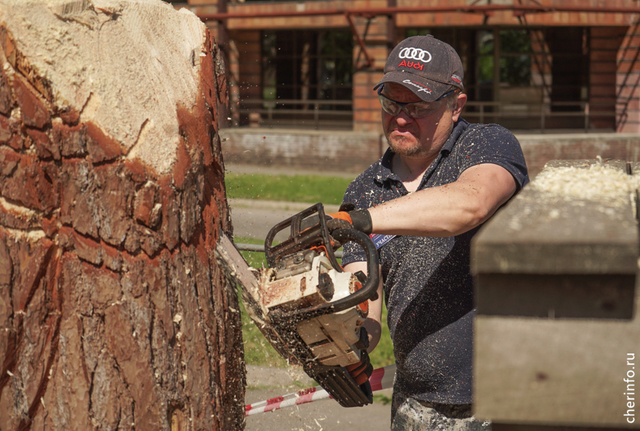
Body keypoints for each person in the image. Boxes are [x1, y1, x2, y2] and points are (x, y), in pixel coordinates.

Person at [330, 35, 529, 429]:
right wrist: (344, 343)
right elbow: (365, 306)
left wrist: (361, 222)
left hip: (503, 399)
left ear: (456, 106)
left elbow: (470, 203)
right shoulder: (365, 190)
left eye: (418, 106)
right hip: (416, 405)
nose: (401, 117)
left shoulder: (486, 145)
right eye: (392, 103)